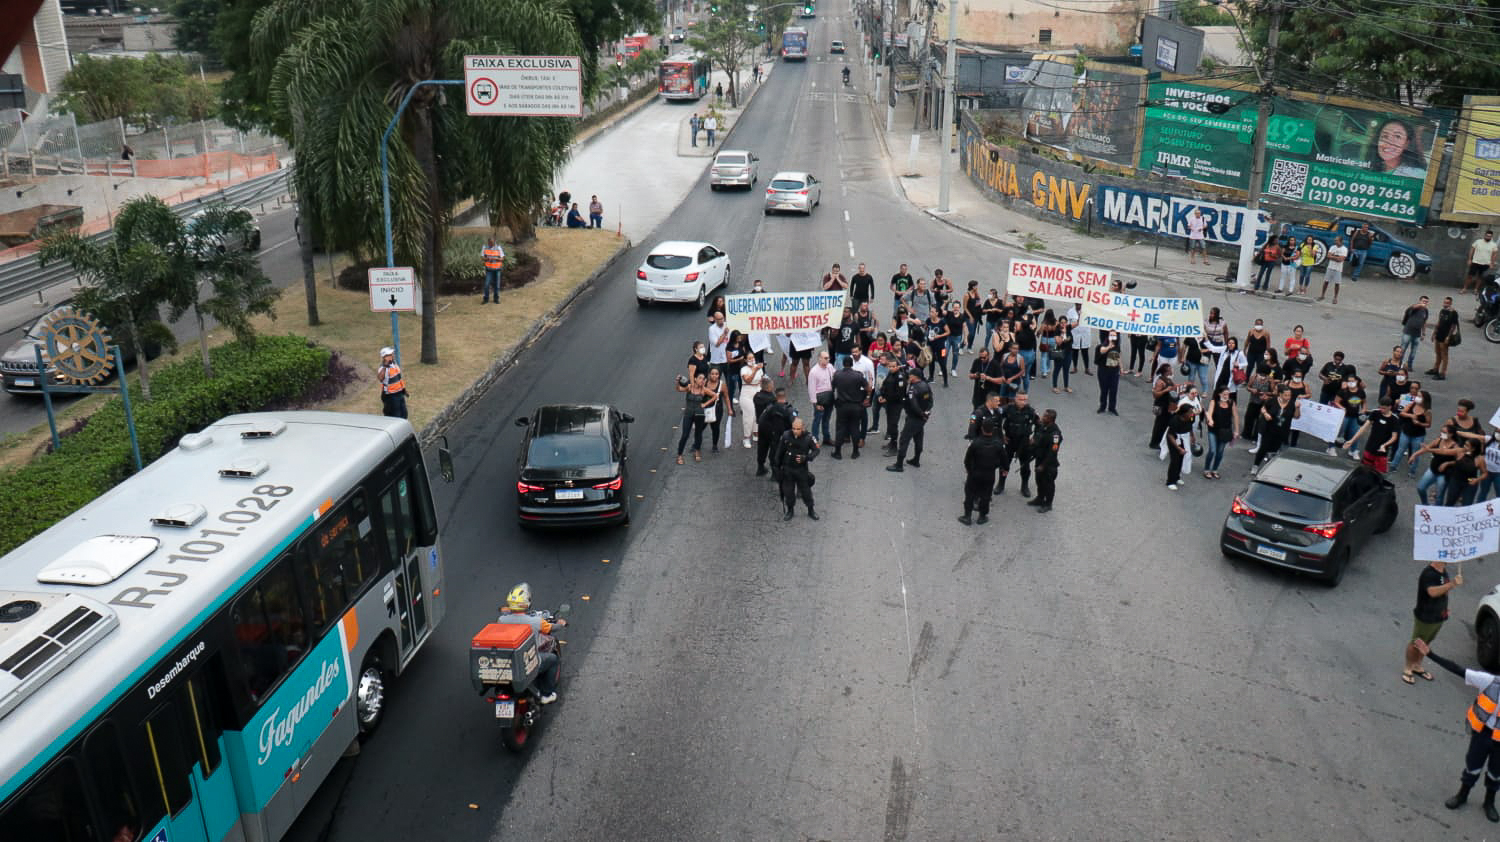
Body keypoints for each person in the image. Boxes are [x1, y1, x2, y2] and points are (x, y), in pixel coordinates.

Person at [1411, 637, 1500, 824]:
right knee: (1473, 765)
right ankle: (1462, 795)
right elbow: (1459, 670)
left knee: (1496, 772)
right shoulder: (1490, 682)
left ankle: (1489, 802)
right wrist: (1431, 655)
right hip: (1483, 734)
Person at [497, 582, 567, 704]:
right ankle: (546, 694)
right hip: (529, 663)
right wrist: (561, 624)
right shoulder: (536, 621)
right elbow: (552, 628)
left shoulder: (502, 620)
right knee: (553, 659)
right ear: (527, 602)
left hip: (507, 663)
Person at [958, 420, 1005, 525]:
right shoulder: (998, 444)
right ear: (993, 430)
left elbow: (967, 459)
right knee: (986, 495)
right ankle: (982, 516)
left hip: (975, 473)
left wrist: (969, 469)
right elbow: (1004, 459)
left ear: (982, 429)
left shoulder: (976, 443)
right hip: (989, 473)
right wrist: (1004, 469)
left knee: (970, 494)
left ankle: (967, 516)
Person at [886, 369, 933, 472]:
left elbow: (914, 404)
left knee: (904, 439)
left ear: (915, 377)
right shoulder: (926, 385)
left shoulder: (913, 389)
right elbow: (931, 401)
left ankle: (899, 465)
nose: (909, 378)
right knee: (918, 437)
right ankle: (916, 460)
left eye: (910, 376)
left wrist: (921, 414)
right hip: (922, 418)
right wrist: (926, 412)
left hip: (914, 417)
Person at [998, 391, 1040, 496]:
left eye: (1025, 399)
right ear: (1015, 399)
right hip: (1010, 440)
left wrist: (1034, 437)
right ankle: (1001, 484)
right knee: (1004, 464)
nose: (1023, 402)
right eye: (1020, 399)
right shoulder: (1008, 408)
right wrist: (1001, 435)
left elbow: (1039, 425)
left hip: (1024, 442)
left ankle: (1024, 486)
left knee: (1025, 467)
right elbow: (996, 421)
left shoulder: (1031, 411)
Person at [777, 417, 819, 520]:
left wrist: (806, 458)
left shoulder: (809, 437)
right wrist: (777, 467)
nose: (795, 431)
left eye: (798, 429)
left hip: (801, 470)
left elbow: (816, 450)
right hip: (788, 469)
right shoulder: (786, 435)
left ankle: (811, 510)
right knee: (788, 492)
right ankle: (790, 510)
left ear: (803, 428)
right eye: (794, 428)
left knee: (806, 492)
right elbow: (779, 451)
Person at [1343, 396, 1400, 471]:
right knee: (1364, 470)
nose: (1381, 410)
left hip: (1382, 452)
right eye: (1380, 407)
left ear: (1390, 407)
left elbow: (1394, 437)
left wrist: (1385, 445)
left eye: (1384, 408)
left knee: (1378, 473)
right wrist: (1352, 440)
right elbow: (1363, 428)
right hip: (1370, 448)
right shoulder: (1375, 413)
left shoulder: (1394, 419)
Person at [829, 356, 869, 459]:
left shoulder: (837, 375)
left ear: (843, 364)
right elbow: (868, 387)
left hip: (842, 406)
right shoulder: (858, 376)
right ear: (852, 364)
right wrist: (866, 397)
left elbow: (832, 389)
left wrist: (833, 401)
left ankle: (838, 452)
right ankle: (855, 452)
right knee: (855, 428)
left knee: (840, 428)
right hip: (856, 405)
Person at [756, 386, 795, 478]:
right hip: (778, 434)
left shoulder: (770, 407)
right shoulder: (789, 409)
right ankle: (775, 473)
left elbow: (761, 419)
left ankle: (760, 467)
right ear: (785, 395)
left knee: (762, 449)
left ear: (776, 396)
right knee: (775, 452)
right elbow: (794, 424)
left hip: (765, 431)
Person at [1029, 409, 1062, 513]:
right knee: (1039, 481)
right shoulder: (1044, 426)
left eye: (1045, 417)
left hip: (1048, 464)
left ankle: (1048, 503)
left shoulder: (1055, 434)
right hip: (1039, 459)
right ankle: (1040, 498)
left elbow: (1052, 453)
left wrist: (1043, 465)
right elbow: (1038, 434)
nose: (1043, 418)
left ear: (1051, 419)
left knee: (1048, 484)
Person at [1203, 386, 1239, 479]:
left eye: (1228, 394)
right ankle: (1207, 469)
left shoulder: (1231, 403)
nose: (1227, 396)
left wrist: (1236, 430)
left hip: (1225, 431)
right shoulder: (1213, 402)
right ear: (1219, 394)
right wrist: (1210, 420)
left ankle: (1214, 469)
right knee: (1212, 450)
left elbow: (1235, 417)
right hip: (1213, 430)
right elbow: (1209, 413)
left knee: (1220, 452)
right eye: (1224, 394)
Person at [877, 355, 907, 452]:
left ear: (898, 366)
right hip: (889, 403)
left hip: (896, 404)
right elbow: (884, 385)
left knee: (893, 425)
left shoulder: (900, 377)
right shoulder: (890, 374)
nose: (891, 368)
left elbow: (899, 393)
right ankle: (891, 443)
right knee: (890, 424)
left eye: (894, 366)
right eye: (890, 366)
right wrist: (881, 395)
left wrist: (886, 399)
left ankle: (894, 447)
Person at [1165, 403, 1196, 491]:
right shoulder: (1175, 420)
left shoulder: (1191, 417)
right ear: (1184, 413)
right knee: (1175, 460)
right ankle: (1170, 481)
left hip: (1184, 438)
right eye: (1190, 412)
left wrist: (1192, 436)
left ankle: (1177, 477)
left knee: (1182, 458)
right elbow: (1170, 435)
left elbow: (1190, 427)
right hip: (1174, 439)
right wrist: (1178, 448)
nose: (1192, 413)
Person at [808, 351, 835, 445]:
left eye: (828, 358)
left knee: (827, 419)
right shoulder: (814, 372)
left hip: (829, 397)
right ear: (819, 358)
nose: (828, 360)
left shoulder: (830, 367)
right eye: (825, 358)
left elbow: (835, 378)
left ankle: (826, 438)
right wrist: (815, 404)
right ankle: (815, 440)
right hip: (820, 400)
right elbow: (811, 389)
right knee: (817, 420)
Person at [1430, 296, 1460, 381]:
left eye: (1447, 303)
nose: (1445, 304)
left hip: (1445, 336)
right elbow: (1439, 322)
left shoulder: (1453, 313)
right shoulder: (1442, 311)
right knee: (1437, 353)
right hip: (1439, 335)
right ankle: (1435, 369)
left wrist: (1448, 336)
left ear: (1450, 303)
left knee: (1444, 355)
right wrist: (1434, 333)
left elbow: (1453, 326)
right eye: (1444, 302)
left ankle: (1442, 373)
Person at [1400, 295, 1430, 370]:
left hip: (1417, 334)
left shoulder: (1426, 311)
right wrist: (1420, 305)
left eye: (1426, 302)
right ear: (1420, 301)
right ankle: (1399, 364)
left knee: (1414, 351)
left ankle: (1410, 365)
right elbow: (1412, 308)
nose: (1425, 303)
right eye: (1423, 301)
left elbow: (1424, 322)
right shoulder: (1414, 308)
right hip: (1408, 332)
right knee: (1403, 349)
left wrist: (1423, 333)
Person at [377, 347, 408, 418]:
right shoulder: (383, 368)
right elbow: (380, 378)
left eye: (392, 354)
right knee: (395, 416)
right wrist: (385, 366)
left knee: (404, 414)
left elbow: (399, 378)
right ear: (385, 357)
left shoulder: (394, 364)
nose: (393, 355)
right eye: (390, 354)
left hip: (399, 393)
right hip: (391, 396)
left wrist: (403, 389)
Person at [1095, 331, 1121, 414]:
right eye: (1111, 335)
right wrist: (1109, 346)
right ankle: (1102, 406)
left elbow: (1118, 356)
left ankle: (1112, 408)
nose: (1113, 337)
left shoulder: (1117, 346)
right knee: (1104, 390)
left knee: (1113, 390)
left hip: (1114, 371)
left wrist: (1121, 367)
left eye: (1114, 336)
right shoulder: (1104, 344)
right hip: (1104, 370)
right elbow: (1102, 351)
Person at [1318, 236, 1347, 303]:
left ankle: (1335, 297)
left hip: (1338, 269)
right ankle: (1322, 295)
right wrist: (1336, 257)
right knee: (1326, 281)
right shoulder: (1332, 247)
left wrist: (1333, 256)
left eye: (1337, 240)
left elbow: (1341, 259)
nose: (1335, 241)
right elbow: (1328, 256)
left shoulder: (1344, 249)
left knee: (1337, 283)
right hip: (1330, 267)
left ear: (1341, 241)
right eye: (1335, 240)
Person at [481, 236, 505, 303]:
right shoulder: (485, 247)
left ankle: (496, 299)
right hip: (489, 269)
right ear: (488, 242)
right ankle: (486, 299)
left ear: (494, 242)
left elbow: (502, 258)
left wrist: (496, 259)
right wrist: (487, 259)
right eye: (490, 243)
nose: (491, 244)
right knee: (486, 285)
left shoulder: (498, 248)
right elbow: (482, 257)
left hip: (497, 269)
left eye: (492, 243)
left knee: (497, 285)